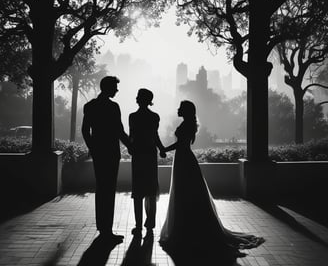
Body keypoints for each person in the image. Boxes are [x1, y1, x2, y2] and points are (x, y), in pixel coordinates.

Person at [159, 100, 265, 261]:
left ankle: (185, 230)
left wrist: (163, 149)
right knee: (187, 193)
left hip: (184, 160)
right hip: (184, 159)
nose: (178, 109)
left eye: (180, 108)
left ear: (186, 111)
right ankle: (188, 228)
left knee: (184, 193)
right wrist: (165, 149)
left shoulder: (186, 124)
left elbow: (180, 144)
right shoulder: (188, 123)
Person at [82, 76, 131, 243]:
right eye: (115, 87)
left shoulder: (90, 106)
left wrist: (93, 148)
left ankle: (102, 228)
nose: (117, 90)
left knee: (101, 188)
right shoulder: (113, 107)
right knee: (109, 190)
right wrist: (132, 146)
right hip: (111, 153)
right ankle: (107, 230)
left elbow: (84, 130)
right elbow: (120, 131)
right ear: (108, 88)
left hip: (99, 153)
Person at [129, 88, 166, 237]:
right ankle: (150, 221)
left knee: (138, 191)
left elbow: (131, 136)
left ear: (141, 99)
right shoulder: (154, 117)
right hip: (150, 154)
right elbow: (155, 136)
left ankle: (138, 225)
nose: (136, 98)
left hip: (138, 154)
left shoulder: (132, 117)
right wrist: (162, 149)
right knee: (151, 189)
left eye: (138, 96)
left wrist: (131, 148)